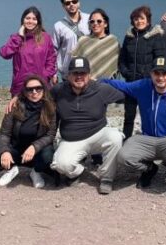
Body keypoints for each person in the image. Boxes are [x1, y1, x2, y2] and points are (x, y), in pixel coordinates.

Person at [102, 56, 166, 197]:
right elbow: (123, 86)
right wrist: (99, 81)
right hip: (147, 138)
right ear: (151, 74)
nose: (160, 78)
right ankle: (149, 169)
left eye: (164, 73)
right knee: (123, 156)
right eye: (156, 73)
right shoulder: (143, 86)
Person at [48, 57, 125, 194]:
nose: (79, 77)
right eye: (75, 73)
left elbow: (127, 95)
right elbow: (38, 98)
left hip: (98, 134)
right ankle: (77, 172)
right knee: (60, 165)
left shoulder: (101, 89)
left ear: (89, 75)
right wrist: (17, 98)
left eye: (82, 73)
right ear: (68, 75)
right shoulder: (58, 91)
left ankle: (106, 177)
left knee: (115, 137)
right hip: (71, 139)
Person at [0, 75, 57, 188]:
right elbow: (4, 133)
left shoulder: (50, 108)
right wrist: (4, 151)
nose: (34, 92)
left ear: (43, 89)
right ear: (24, 91)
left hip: (37, 151)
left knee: (48, 156)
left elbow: (50, 135)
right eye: (30, 89)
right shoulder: (14, 106)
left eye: (38, 88)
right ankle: (11, 169)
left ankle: (36, 172)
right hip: (16, 147)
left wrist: (34, 146)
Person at [118, 5, 166, 139]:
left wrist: (149, 77)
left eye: (142, 18)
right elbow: (122, 59)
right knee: (129, 116)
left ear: (148, 20)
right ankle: (126, 141)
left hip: (148, 84)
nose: (139, 21)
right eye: (135, 19)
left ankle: (150, 143)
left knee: (149, 115)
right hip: (131, 84)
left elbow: (160, 60)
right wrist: (126, 73)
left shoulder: (156, 36)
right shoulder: (129, 37)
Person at [0, 6, 57, 95]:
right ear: (23, 20)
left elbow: (51, 59)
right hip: (20, 86)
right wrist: (19, 37)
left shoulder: (45, 37)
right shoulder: (16, 38)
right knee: (20, 109)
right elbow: (5, 54)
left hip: (40, 85)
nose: (30, 21)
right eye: (28, 18)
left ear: (38, 21)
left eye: (34, 19)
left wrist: (45, 76)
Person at [52, 0, 90, 82]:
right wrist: (54, 73)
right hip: (69, 74)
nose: (71, 4)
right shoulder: (58, 26)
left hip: (89, 72)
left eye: (74, 1)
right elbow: (53, 51)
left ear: (79, 3)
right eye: (67, 3)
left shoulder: (90, 19)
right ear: (63, 6)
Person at [72, 8, 120, 79]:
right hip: (87, 83)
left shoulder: (113, 41)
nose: (95, 23)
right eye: (92, 21)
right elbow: (75, 62)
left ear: (105, 24)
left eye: (99, 21)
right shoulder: (83, 41)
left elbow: (119, 63)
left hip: (108, 84)